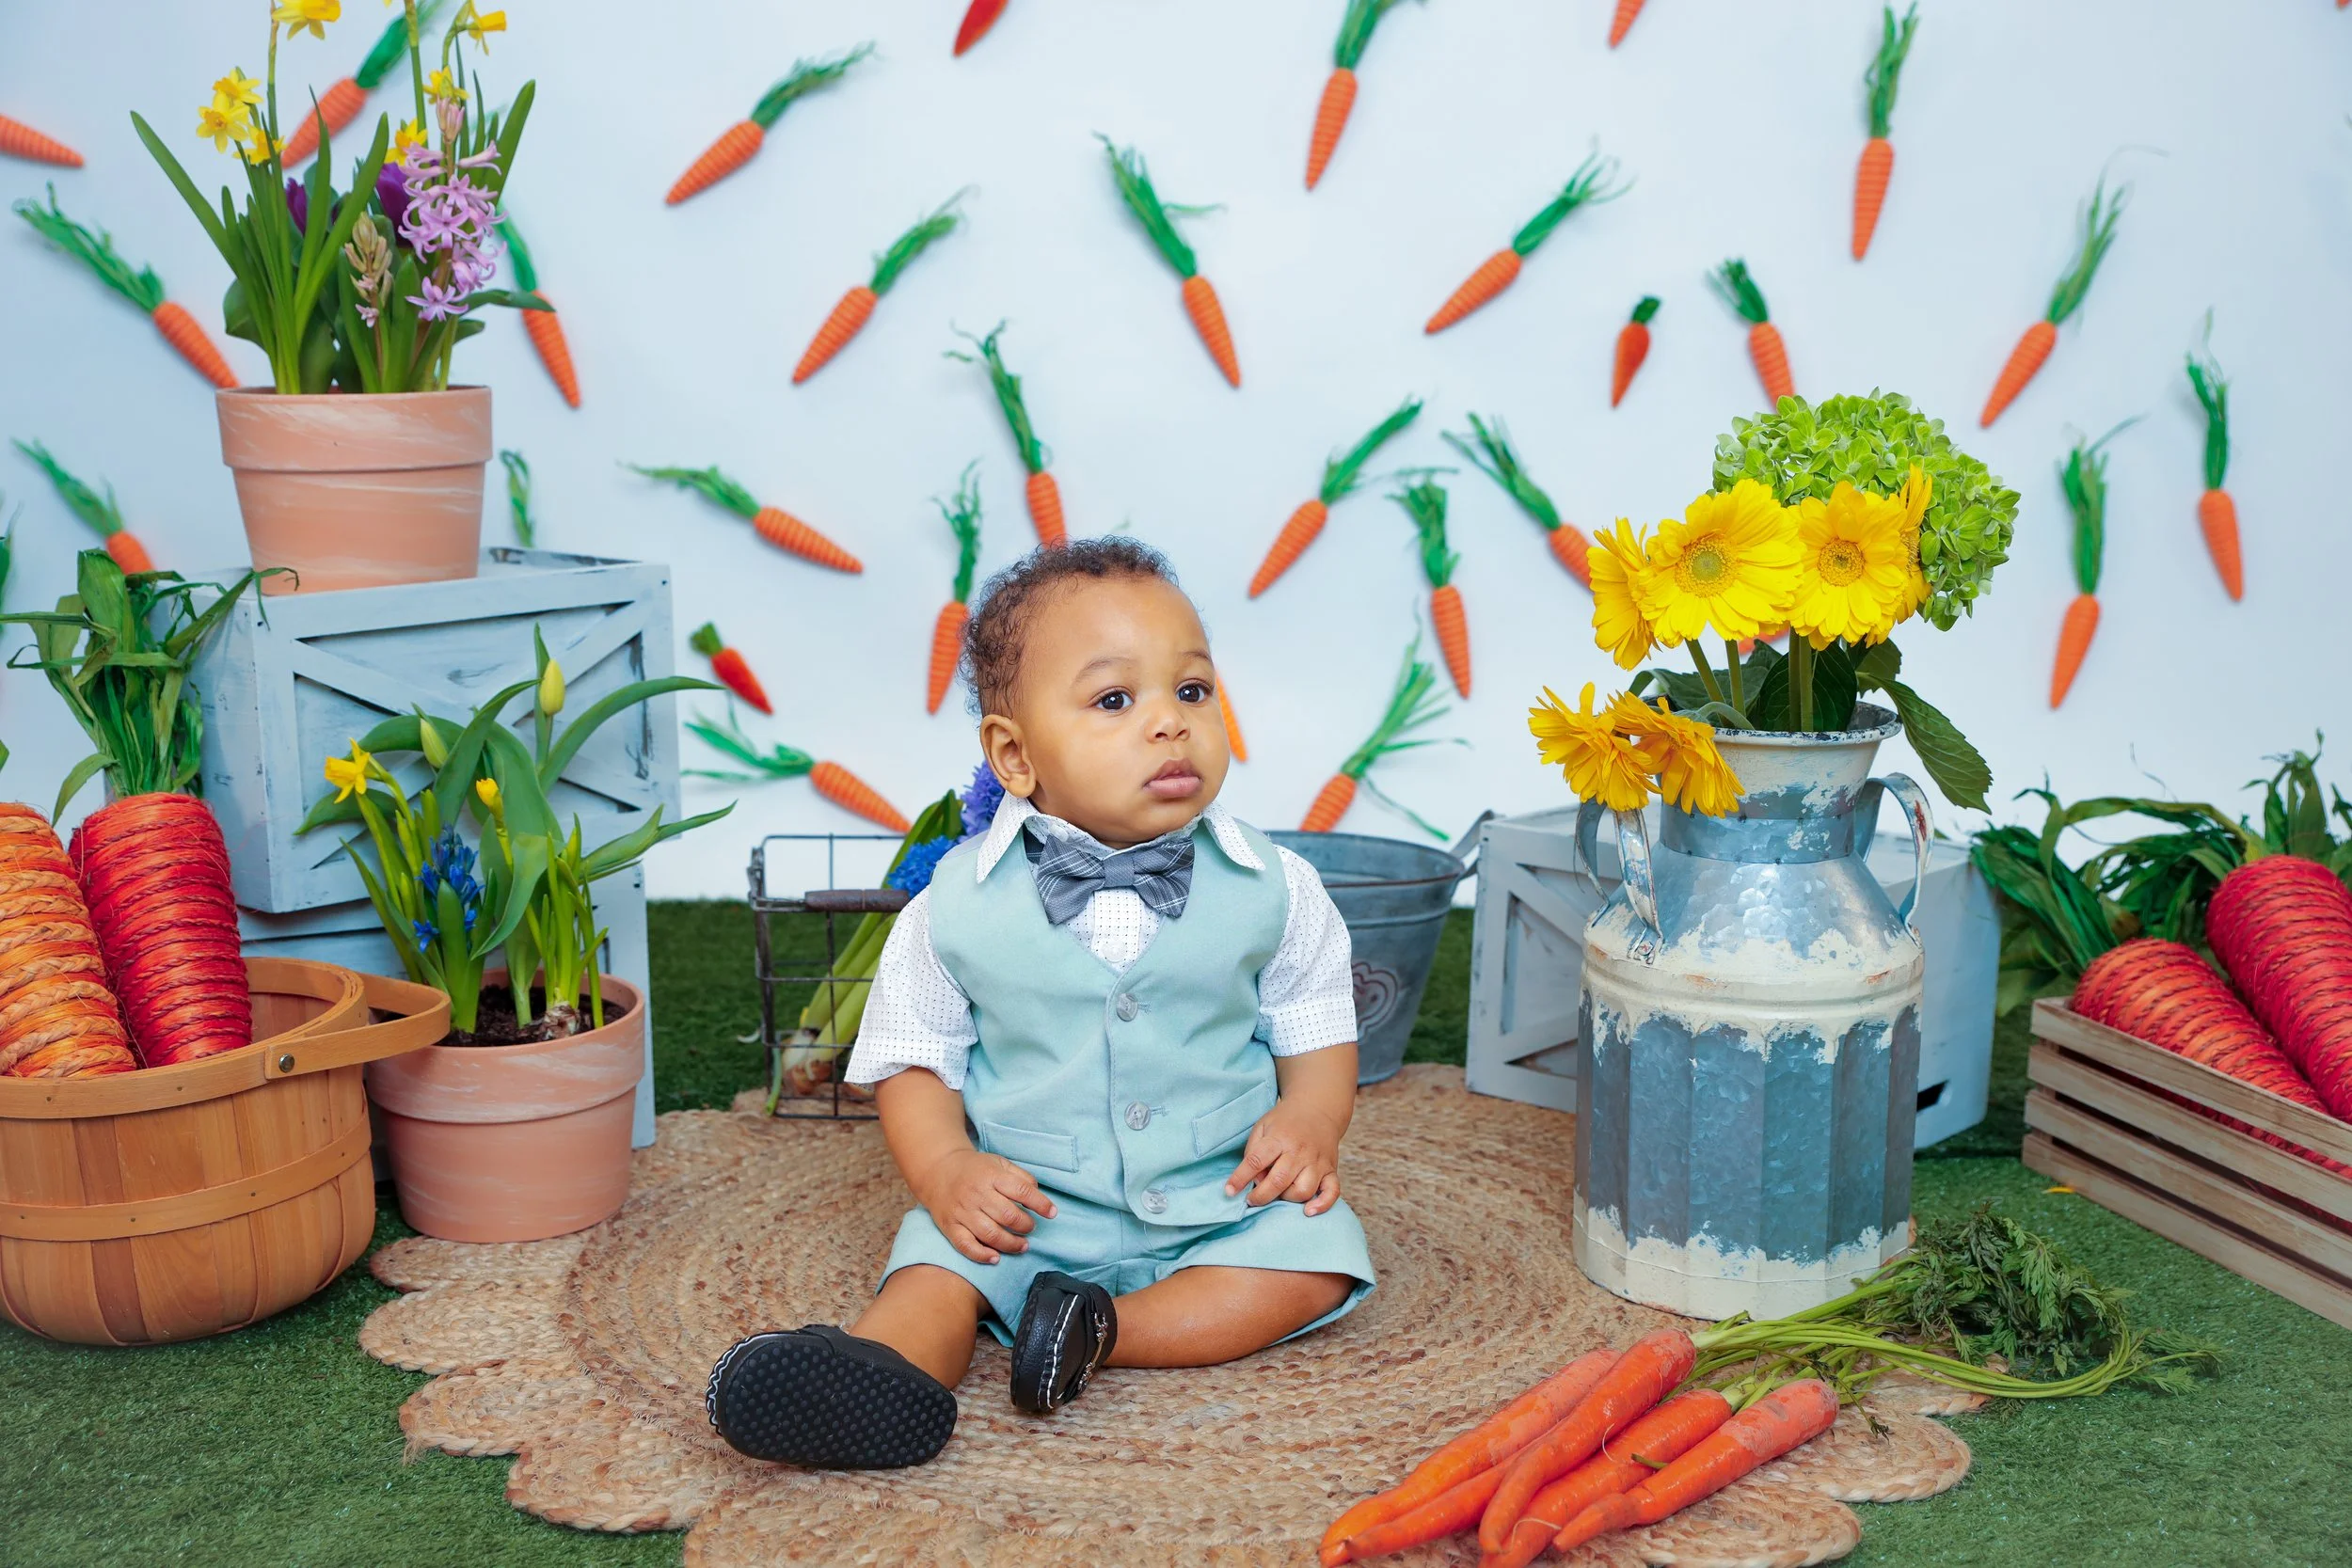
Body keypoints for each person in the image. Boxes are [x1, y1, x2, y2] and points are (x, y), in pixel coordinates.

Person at [706, 538, 1374, 1469]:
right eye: (1113, 700)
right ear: (1012, 754)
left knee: (1312, 1259)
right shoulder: (957, 902)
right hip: (1031, 1203)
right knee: (938, 1273)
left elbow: (1314, 1019)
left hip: (1219, 1193)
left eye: (1191, 690)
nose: (1169, 725)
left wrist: (1309, 1116)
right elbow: (911, 1053)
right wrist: (946, 1172)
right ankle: (873, 1372)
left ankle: (1100, 1327)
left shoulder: (1275, 882)